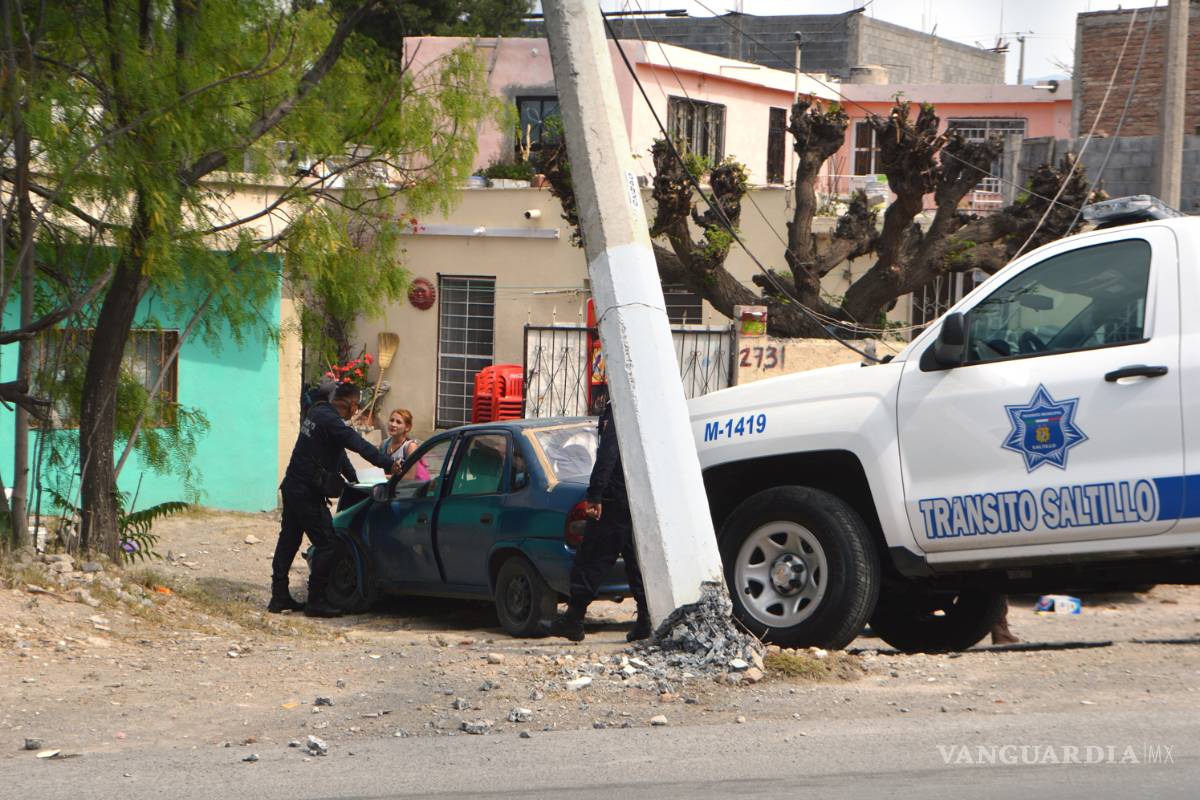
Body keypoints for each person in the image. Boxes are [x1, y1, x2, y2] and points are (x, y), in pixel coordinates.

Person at [271, 382, 396, 617]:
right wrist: (388, 463)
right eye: (355, 405)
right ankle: (316, 601)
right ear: (350, 403)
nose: (355, 410)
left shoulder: (317, 413)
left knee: (288, 540)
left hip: (293, 487)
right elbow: (358, 444)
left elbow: (339, 454)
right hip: (306, 493)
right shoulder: (330, 420)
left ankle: (279, 597)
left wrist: (355, 479)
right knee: (327, 543)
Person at [540, 394, 650, 643]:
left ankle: (573, 619)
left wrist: (596, 493)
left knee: (592, 556)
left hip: (614, 495)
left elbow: (609, 452)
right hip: (635, 494)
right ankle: (645, 619)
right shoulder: (641, 406)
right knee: (635, 559)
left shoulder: (621, 407)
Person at [379, 408, 429, 481]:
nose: (393, 424)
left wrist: (383, 477)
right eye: (391, 420)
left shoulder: (410, 447)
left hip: (404, 490)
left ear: (407, 428)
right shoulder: (384, 444)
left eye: (398, 422)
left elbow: (410, 477)